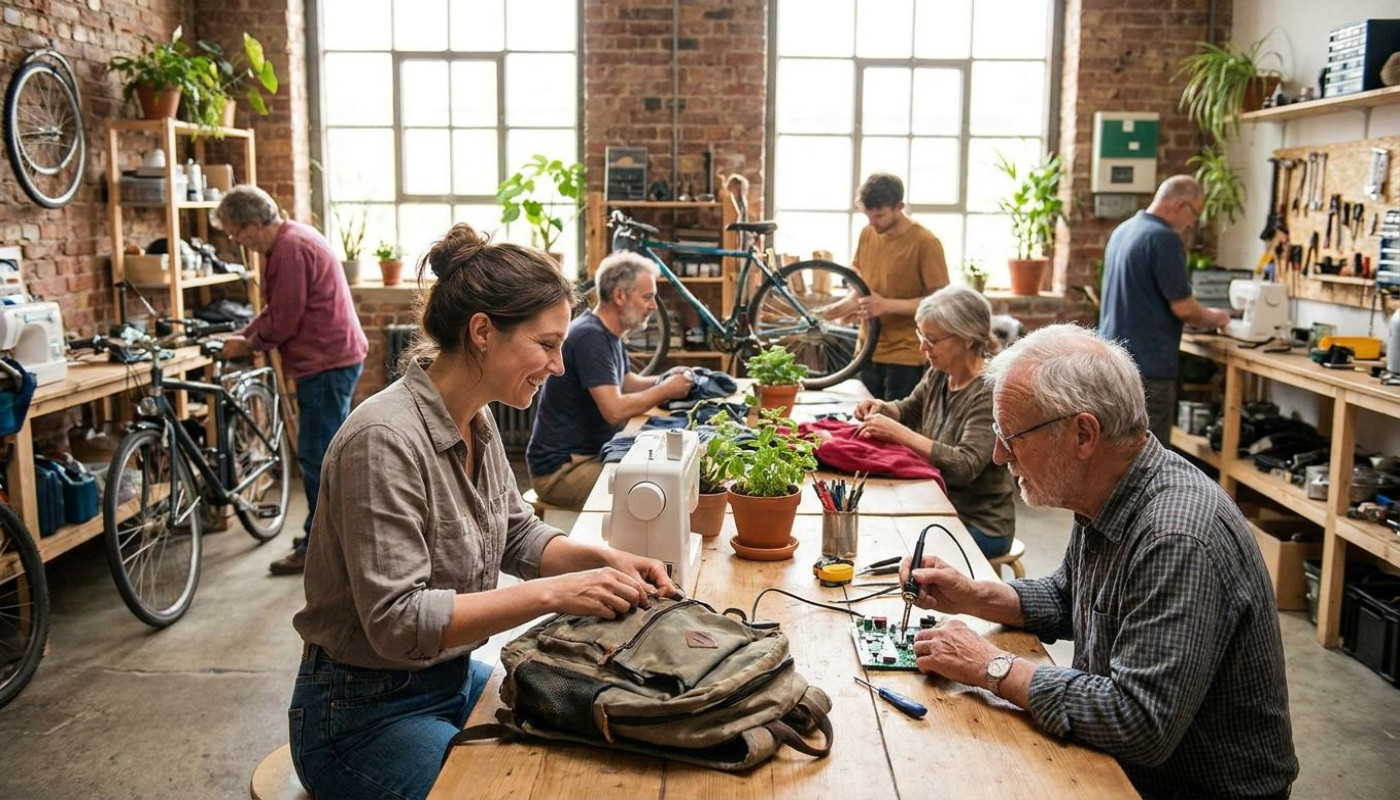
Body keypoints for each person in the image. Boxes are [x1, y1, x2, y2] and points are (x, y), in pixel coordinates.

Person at [289, 224, 679, 800]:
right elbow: (398, 620)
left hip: (447, 679)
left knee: (600, 751)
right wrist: (555, 593)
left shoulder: (476, 417)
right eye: (546, 345)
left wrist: (610, 558)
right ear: (481, 333)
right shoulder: (383, 439)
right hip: (361, 715)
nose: (559, 367)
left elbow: (516, 534)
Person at [904, 324, 1298, 799]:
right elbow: (1070, 596)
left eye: (1012, 436)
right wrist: (972, 595)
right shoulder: (1106, 488)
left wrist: (991, 666)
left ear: (1083, 434)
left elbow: (1139, 722)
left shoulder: (1176, 536)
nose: (998, 454)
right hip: (1132, 765)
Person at [216, 185, 367, 576]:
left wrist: (246, 343)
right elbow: (276, 310)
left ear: (253, 224)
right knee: (326, 455)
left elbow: (284, 318)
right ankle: (331, 543)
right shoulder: (294, 237)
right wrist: (247, 333)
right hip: (331, 358)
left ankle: (322, 551)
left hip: (326, 362)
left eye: (236, 233)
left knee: (318, 458)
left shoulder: (289, 249)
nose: (238, 242)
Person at [851, 286, 1014, 558]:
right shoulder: (941, 373)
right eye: (921, 336)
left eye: (932, 339)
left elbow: (965, 464)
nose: (922, 347)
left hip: (980, 523)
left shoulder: (989, 391)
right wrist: (883, 408)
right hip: (937, 504)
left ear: (967, 339)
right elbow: (910, 409)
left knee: (892, 545)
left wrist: (898, 433)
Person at [527, 252, 694, 509]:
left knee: (664, 474)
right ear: (619, 296)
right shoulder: (590, 337)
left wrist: (666, 379)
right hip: (563, 471)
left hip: (587, 458)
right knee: (658, 491)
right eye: (647, 297)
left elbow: (627, 382)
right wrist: (665, 390)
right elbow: (614, 410)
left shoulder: (608, 333)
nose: (652, 305)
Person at [1099, 175, 1229, 444]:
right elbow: (1184, 308)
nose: (1192, 223)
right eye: (1195, 213)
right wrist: (1218, 317)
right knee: (1150, 452)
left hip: (1114, 362)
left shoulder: (1124, 230)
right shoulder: (1163, 238)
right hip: (1148, 368)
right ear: (1180, 205)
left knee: (1116, 446)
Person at [828, 173, 950, 401]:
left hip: (905, 354)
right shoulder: (868, 233)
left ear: (899, 206)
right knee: (863, 425)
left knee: (894, 427)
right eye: (867, 215)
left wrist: (885, 306)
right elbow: (862, 281)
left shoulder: (925, 243)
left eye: (879, 216)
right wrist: (844, 306)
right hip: (866, 349)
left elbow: (940, 303)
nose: (873, 223)